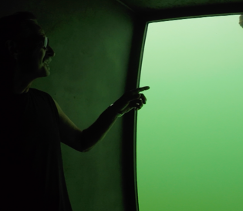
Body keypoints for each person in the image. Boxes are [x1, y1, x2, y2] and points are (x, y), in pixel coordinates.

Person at [0, 11, 149, 210]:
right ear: (13, 48)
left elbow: (82, 141)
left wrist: (116, 109)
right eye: (43, 42)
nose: (52, 51)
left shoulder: (45, 102)